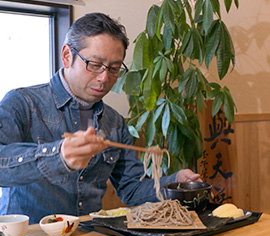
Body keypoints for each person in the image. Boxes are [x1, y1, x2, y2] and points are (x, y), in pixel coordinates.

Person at [0, 13, 201, 224]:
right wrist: (58, 155)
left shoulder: (114, 122)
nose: (104, 78)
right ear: (67, 55)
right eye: (95, 64)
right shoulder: (23, 103)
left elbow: (131, 189)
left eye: (114, 69)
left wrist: (174, 183)